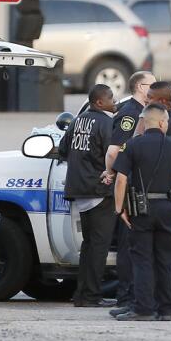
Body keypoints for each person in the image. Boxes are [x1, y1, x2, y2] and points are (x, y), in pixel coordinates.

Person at [110, 104, 171, 321]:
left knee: (143, 260)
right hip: (168, 207)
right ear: (163, 123)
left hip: (141, 209)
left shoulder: (133, 145)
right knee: (165, 261)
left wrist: (120, 209)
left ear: (144, 123)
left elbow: (121, 179)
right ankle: (166, 310)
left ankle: (143, 309)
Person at [59, 84, 118, 307]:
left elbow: (63, 149)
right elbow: (112, 154)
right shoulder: (106, 123)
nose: (115, 101)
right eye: (111, 98)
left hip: (80, 190)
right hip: (100, 189)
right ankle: (92, 296)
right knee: (99, 247)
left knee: (89, 245)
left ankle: (81, 295)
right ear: (100, 102)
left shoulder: (78, 120)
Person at [105, 71, 156, 311]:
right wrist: (113, 173)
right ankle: (125, 297)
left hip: (139, 185)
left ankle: (136, 295)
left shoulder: (145, 113)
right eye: (151, 84)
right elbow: (116, 150)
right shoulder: (130, 114)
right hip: (128, 185)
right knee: (127, 246)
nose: (154, 88)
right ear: (140, 87)